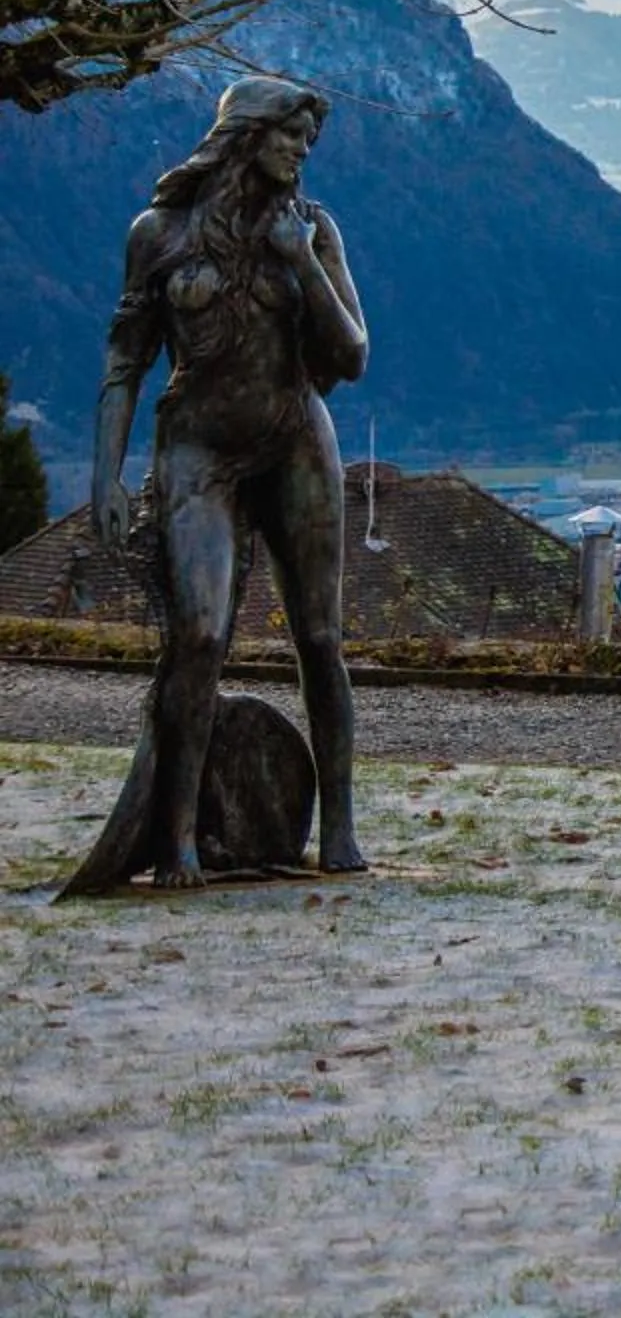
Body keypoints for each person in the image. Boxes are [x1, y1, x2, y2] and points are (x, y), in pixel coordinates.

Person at [64, 76, 368, 892]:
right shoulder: (157, 233)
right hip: (197, 447)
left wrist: (302, 265)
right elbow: (125, 361)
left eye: (310, 138)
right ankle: (177, 837)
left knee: (320, 637)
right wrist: (109, 476)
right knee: (197, 637)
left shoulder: (312, 229)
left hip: (297, 439)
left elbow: (351, 356)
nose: (303, 150)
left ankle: (338, 821)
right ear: (247, 134)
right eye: (292, 134)